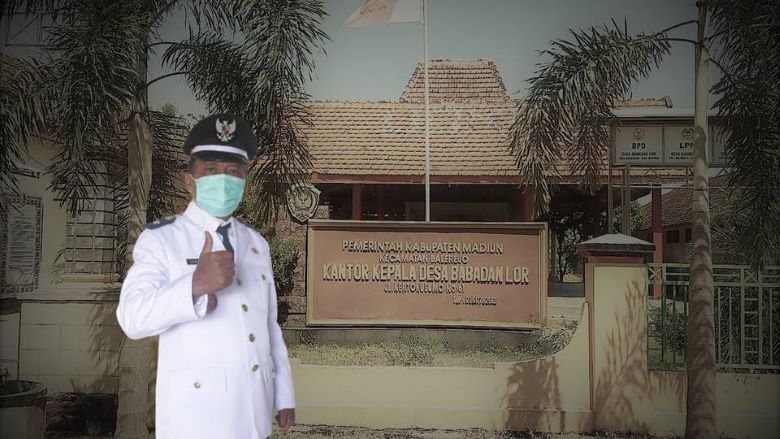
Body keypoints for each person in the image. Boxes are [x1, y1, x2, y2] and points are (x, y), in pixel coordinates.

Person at [116, 114, 295, 439]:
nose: (223, 180)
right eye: (211, 170)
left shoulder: (257, 243)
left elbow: (269, 324)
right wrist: (194, 285)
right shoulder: (162, 238)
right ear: (189, 180)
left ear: (244, 180)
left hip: (254, 415)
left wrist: (283, 393)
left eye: (233, 172)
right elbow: (132, 316)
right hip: (197, 419)